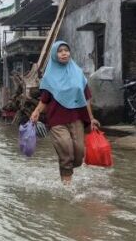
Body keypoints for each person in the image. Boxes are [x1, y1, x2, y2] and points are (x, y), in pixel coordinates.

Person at [30, 40, 100, 185]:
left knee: (79, 154)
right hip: (57, 120)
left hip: (76, 118)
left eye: (66, 50)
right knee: (66, 151)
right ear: (55, 55)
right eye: (60, 51)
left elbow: (85, 98)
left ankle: (66, 170)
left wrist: (91, 118)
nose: (64, 53)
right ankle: (66, 186)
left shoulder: (78, 73)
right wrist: (36, 112)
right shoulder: (49, 77)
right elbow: (45, 100)